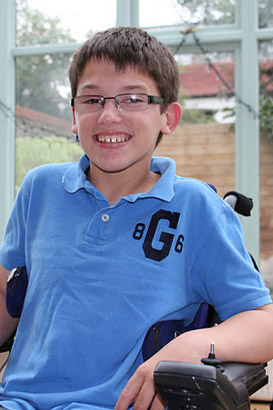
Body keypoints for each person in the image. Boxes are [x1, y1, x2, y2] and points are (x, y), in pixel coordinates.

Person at [0, 26, 272, 410]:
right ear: (75, 116)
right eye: (93, 99)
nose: (109, 115)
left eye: (132, 98)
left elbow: (264, 322)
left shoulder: (196, 208)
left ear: (168, 116)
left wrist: (192, 344)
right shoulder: (40, 189)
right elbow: (5, 296)